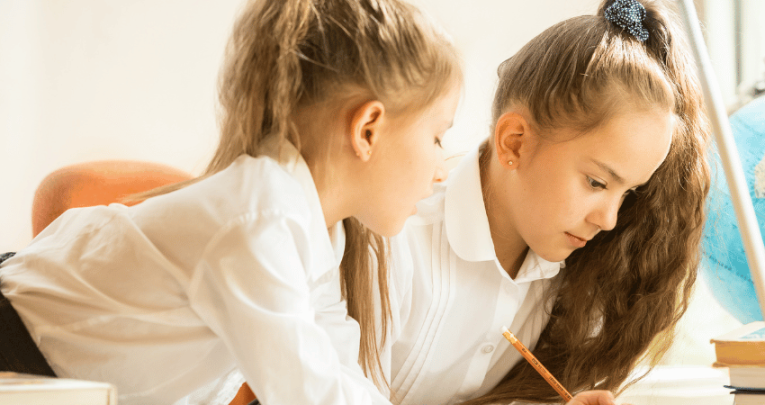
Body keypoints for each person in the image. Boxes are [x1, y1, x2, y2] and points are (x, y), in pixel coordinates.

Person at [0, 0, 462, 403]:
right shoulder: (260, 219)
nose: (442, 168)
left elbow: (335, 367)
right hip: (14, 345)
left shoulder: (320, 231)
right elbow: (306, 391)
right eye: (439, 136)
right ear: (367, 130)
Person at [376, 0, 710, 404]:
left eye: (629, 192)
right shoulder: (395, 238)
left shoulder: (569, 282)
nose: (609, 219)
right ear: (514, 141)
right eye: (596, 181)